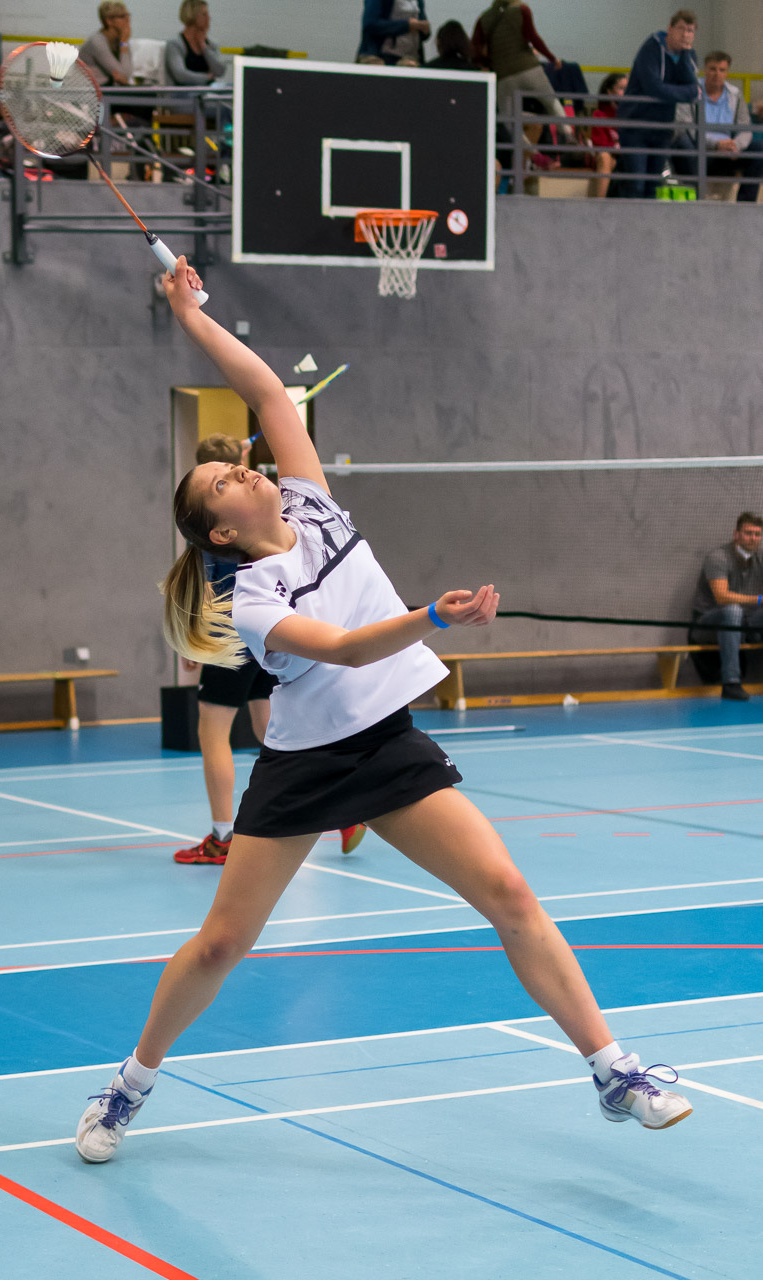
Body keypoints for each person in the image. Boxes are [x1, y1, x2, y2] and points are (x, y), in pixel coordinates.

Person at [75, 257, 693, 1163]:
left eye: (234, 464)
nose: (239, 467)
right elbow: (345, 648)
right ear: (221, 530)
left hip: (387, 744)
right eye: (220, 483)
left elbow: (266, 392)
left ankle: (612, 1071)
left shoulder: (310, 500)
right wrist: (431, 616)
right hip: (306, 766)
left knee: (509, 894)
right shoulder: (253, 597)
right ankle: (128, 1086)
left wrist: (192, 315)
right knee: (219, 946)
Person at [173, 433, 366, 865]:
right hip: (274, 629)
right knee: (269, 729)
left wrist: (198, 636)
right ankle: (345, 809)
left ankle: (223, 837)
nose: (238, 474)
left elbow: (208, 584)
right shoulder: (256, 520)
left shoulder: (217, 520)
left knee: (213, 732)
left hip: (240, 633)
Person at [615, 9, 699, 199]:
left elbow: (692, 88)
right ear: (670, 27)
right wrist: (686, 92)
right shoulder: (652, 48)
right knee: (636, 184)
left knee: (653, 185)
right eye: (681, 29)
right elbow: (653, 87)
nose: (685, 35)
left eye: (690, 31)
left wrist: (685, 55)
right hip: (635, 125)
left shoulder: (689, 55)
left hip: (662, 128)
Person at [690, 512, 763, 702]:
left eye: (757, 534)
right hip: (707, 624)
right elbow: (722, 597)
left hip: (746, 621)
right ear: (736, 534)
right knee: (733, 610)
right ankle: (731, 683)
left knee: (739, 612)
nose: (753, 538)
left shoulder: (760, 559)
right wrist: (758, 600)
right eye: (748, 533)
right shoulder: (718, 557)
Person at [674, 51, 763, 202]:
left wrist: (736, 145)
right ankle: (697, 197)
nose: (717, 74)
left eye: (722, 70)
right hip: (700, 148)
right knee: (682, 142)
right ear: (705, 69)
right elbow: (687, 127)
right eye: (712, 69)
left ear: (727, 72)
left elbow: (745, 127)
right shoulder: (691, 91)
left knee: (759, 149)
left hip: (728, 151)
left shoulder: (735, 94)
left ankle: (746, 203)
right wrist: (716, 144)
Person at [471, 1, 568, 129]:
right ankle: (567, 133)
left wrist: (491, 62)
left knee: (508, 118)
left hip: (504, 76)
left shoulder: (483, 19)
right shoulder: (521, 9)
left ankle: (522, 143)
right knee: (552, 103)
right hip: (530, 68)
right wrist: (552, 58)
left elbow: (475, 51)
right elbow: (533, 38)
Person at [165, 0, 225, 87]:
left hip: (208, 92)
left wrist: (204, 48)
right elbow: (180, 75)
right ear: (192, 16)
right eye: (204, 14)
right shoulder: (175, 45)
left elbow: (220, 72)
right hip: (185, 92)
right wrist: (206, 77)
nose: (209, 18)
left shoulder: (211, 45)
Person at [357, 1, 431, 68]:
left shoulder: (418, 1)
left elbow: (422, 34)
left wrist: (424, 29)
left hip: (411, 58)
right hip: (380, 57)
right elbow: (370, 24)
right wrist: (407, 25)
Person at [591, 72, 627, 198]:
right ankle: (601, 204)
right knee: (605, 156)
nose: (626, 93)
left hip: (626, 158)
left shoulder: (631, 116)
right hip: (609, 158)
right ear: (610, 92)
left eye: (627, 89)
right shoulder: (599, 115)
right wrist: (617, 147)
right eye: (621, 88)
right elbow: (600, 144)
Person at [80, 1, 133, 88]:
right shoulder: (96, 41)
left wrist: (124, 42)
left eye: (128, 15)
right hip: (90, 91)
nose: (128, 20)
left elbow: (127, 75)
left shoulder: (121, 40)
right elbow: (123, 73)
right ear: (109, 21)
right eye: (122, 16)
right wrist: (124, 42)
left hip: (107, 89)